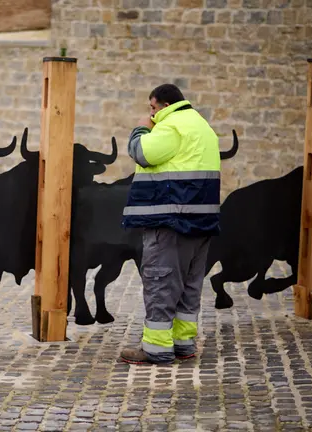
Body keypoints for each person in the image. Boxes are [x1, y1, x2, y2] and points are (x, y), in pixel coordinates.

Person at [120, 83, 221, 365]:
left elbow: (142, 153)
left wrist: (141, 129)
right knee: (189, 285)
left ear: (165, 105)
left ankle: (156, 348)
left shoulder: (172, 126)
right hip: (201, 220)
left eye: (153, 108)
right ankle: (183, 343)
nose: (151, 114)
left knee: (160, 282)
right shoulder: (202, 126)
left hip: (171, 221)